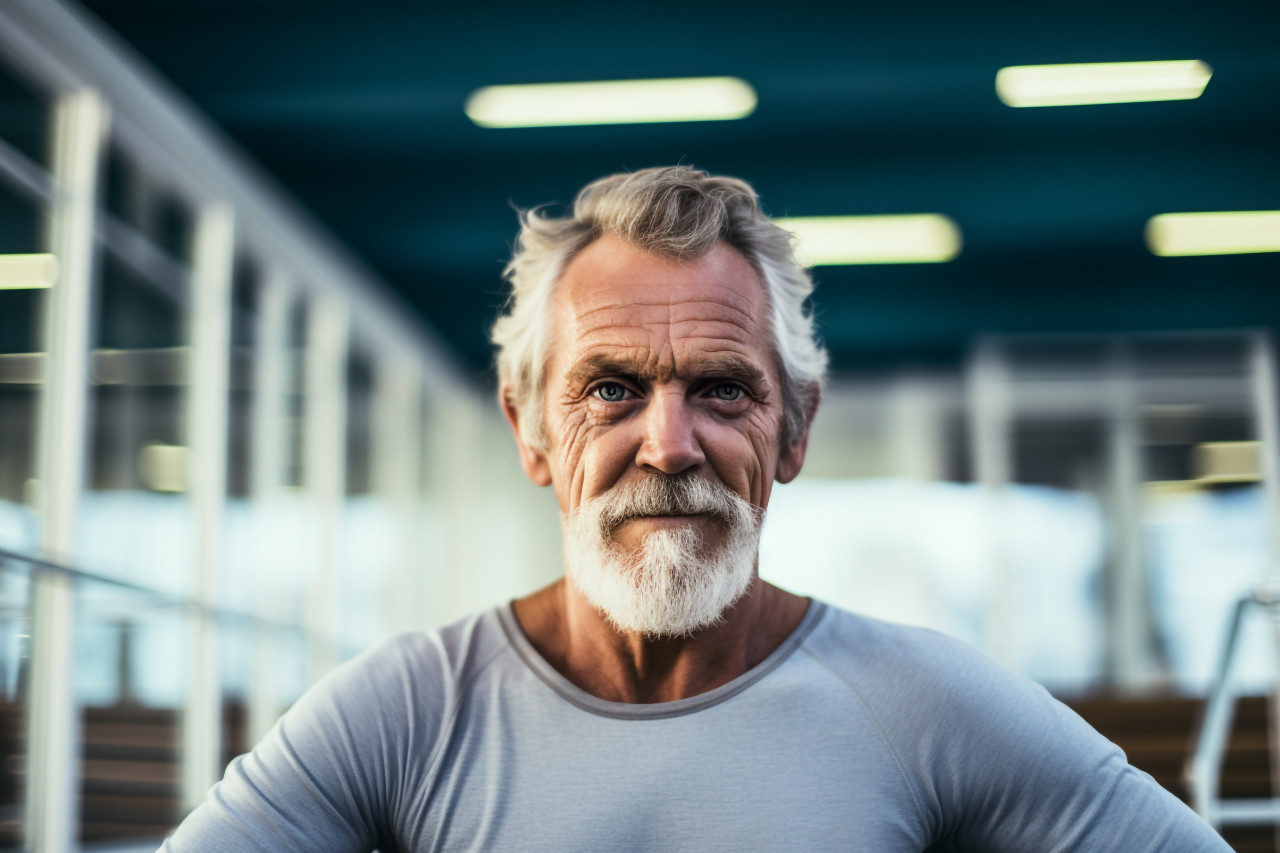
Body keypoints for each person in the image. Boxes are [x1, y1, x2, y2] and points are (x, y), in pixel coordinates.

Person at [161, 166, 1229, 851]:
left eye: (721, 387)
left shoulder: (926, 703)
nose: (668, 445)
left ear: (794, 429)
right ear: (532, 431)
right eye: (610, 389)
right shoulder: (403, 714)